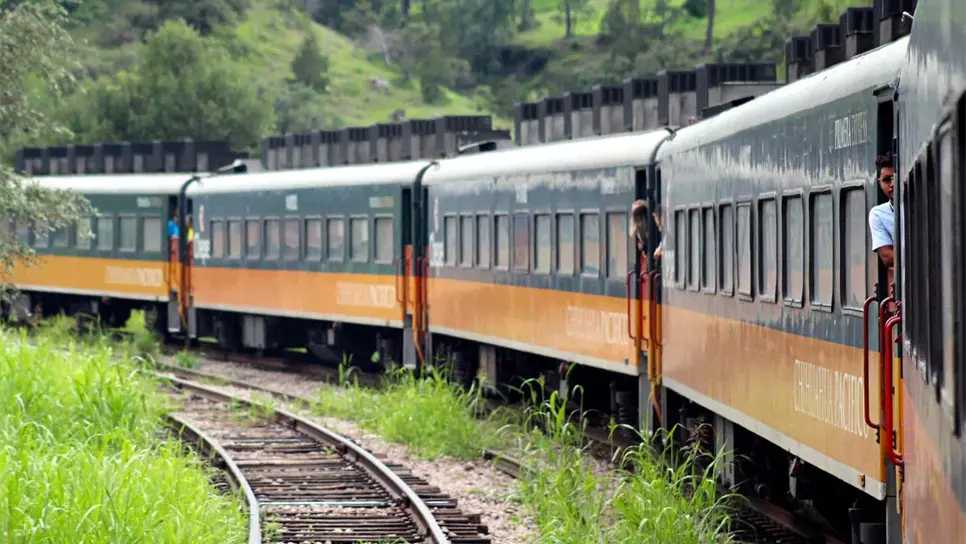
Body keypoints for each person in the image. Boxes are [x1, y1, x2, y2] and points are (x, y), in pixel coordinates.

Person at [869, 154, 895, 295]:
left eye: (895, 177)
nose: (892, 184)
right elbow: (887, 256)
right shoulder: (878, 214)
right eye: (886, 180)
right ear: (879, 183)